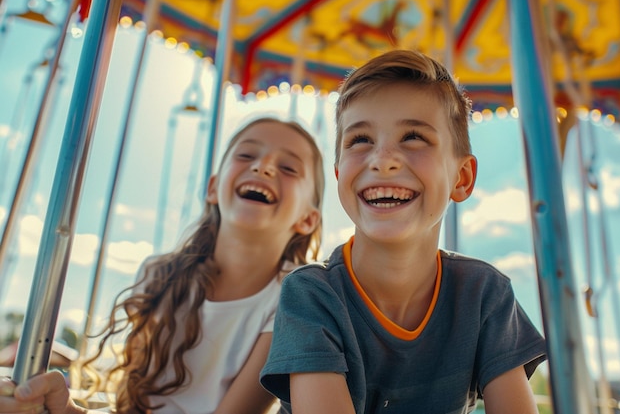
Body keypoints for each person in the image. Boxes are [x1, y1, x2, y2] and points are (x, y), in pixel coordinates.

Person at [260, 50, 547, 414]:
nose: (382, 159)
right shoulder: (313, 295)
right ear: (339, 176)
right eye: (360, 140)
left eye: (413, 137)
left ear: (462, 178)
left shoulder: (485, 295)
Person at [0, 116, 325, 414]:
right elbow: (135, 406)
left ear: (308, 219)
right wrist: (66, 410)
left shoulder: (294, 296)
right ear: (213, 188)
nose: (264, 166)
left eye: (288, 168)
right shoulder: (160, 276)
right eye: (246, 155)